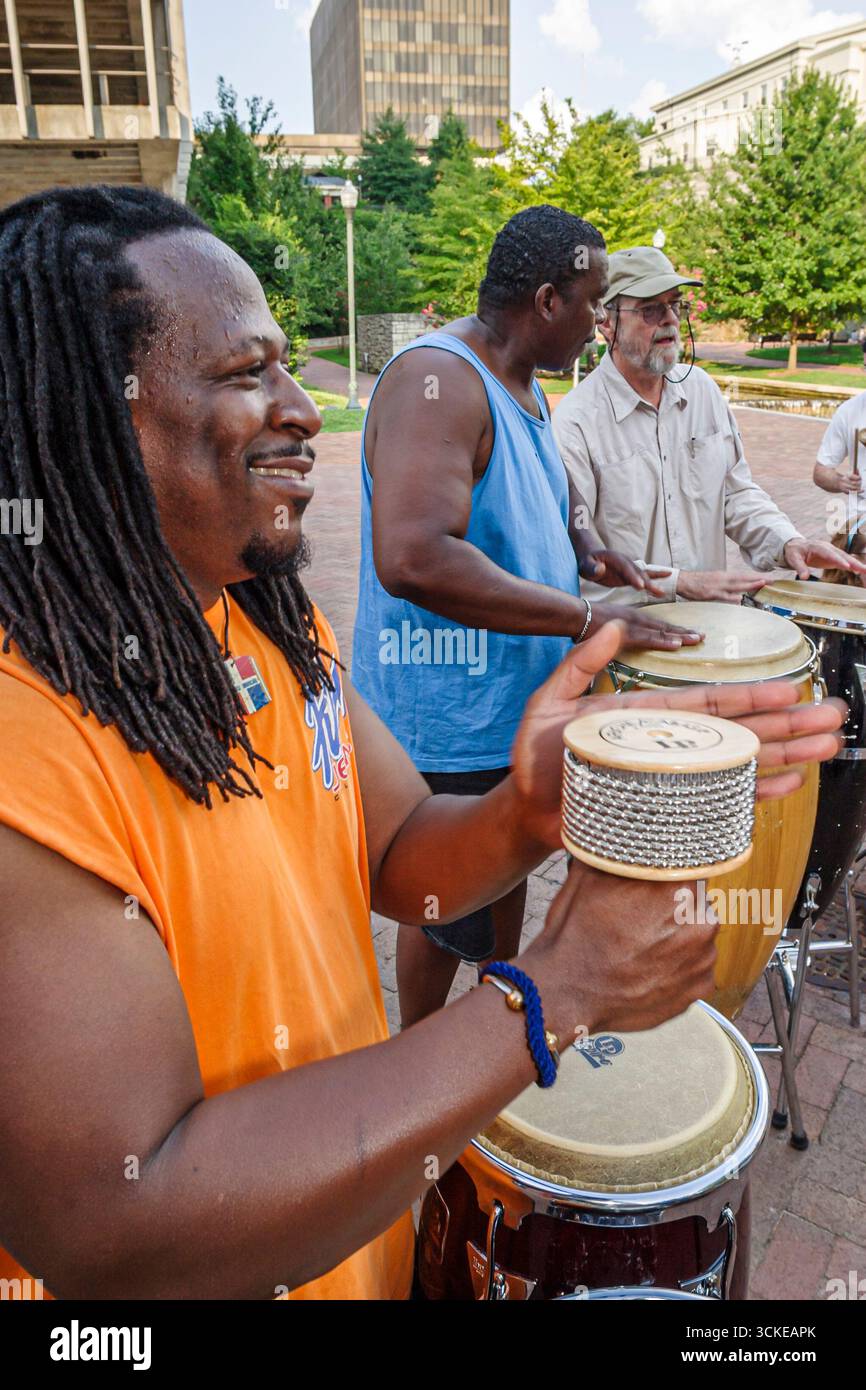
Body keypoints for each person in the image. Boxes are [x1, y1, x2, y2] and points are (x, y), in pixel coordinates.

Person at [0, 187, 843, 1302]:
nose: (302, 408)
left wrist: (535, 804)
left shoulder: (259, 619)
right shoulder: (25, 738)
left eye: (288, 364)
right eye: (247, 372)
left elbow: (395, 852)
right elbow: (124, 1218)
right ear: (87, 415)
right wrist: (550, 994)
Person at [352, 207, 696, 1029]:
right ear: (547, 301)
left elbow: (548, 485)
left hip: (510, 709)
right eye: (591, 302)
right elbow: (414, 555)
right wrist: (585, 616)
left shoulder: (524, 379)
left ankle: (488, 1049)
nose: (599, 322)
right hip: (447, 721)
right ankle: (422, 1065)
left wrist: (589, 548)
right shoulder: (434, 383)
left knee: (500, 888)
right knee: (443, 910)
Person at [553, 246, 866, 608]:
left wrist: (787, 542)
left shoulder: (702, 391)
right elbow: (579, 564)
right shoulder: (576, 423)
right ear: (605, 321)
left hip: (712, 640)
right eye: (650, 308)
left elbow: (735, 494)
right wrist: (680, 583)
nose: (669, 319)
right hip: (625, 649)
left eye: (675, 304)